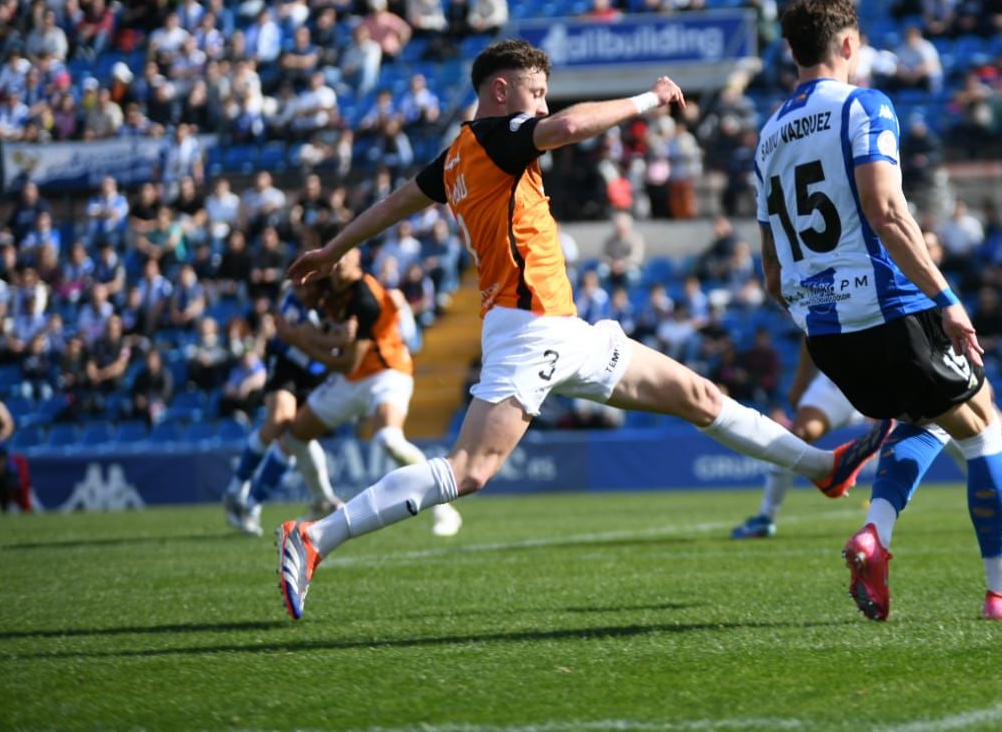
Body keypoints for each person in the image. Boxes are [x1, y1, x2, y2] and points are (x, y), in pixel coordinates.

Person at [278, 40, 890, 619]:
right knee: (469, 470)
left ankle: (821, 468)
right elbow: (569, 128)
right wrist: (650, 98)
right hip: (530, 331)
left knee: (698, 396)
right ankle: (314, 535)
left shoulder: (455, 159)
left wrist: (333, 249)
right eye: (536, 91)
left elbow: (393, 205)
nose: (542, 104)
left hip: (563, 330)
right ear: (499, 91)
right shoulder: (497, 136)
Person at [755, 0, 1002, 622]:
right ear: (849, 45)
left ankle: (876, 535)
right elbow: (889, 210)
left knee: (923, 417)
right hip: (892, 313)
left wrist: (816, 314)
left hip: (826, 335)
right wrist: (947, 298)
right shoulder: (864, 105)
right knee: (982, 425)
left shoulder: (767, 138)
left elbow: (770, 267)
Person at [731, 345, 1002, 539]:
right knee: (800, 435)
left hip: (897, 372)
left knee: (972, 431)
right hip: (841, 381)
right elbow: (812, 333)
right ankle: (766, 516)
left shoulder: (911, 266)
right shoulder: (842, 255)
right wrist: (800, 382)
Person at [281, 246, 463, 539]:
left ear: (358, 258)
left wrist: (299, 340)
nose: (339, 260)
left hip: (386, 372)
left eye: (345, 253)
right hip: (353, 377)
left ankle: (444, 507)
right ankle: (322, 501)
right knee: (295, 435)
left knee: (389, 439)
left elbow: (345, 361)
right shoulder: (326, 287)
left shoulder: (365, 297)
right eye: (335, 254)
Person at [220, 280, 342, 535]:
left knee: (293, 438)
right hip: (287, 361)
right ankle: (236, 488)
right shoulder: (302, 290)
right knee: (279, 420)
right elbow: (293, 329)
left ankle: (251, 506)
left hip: (316, 370)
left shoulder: (340, 294)